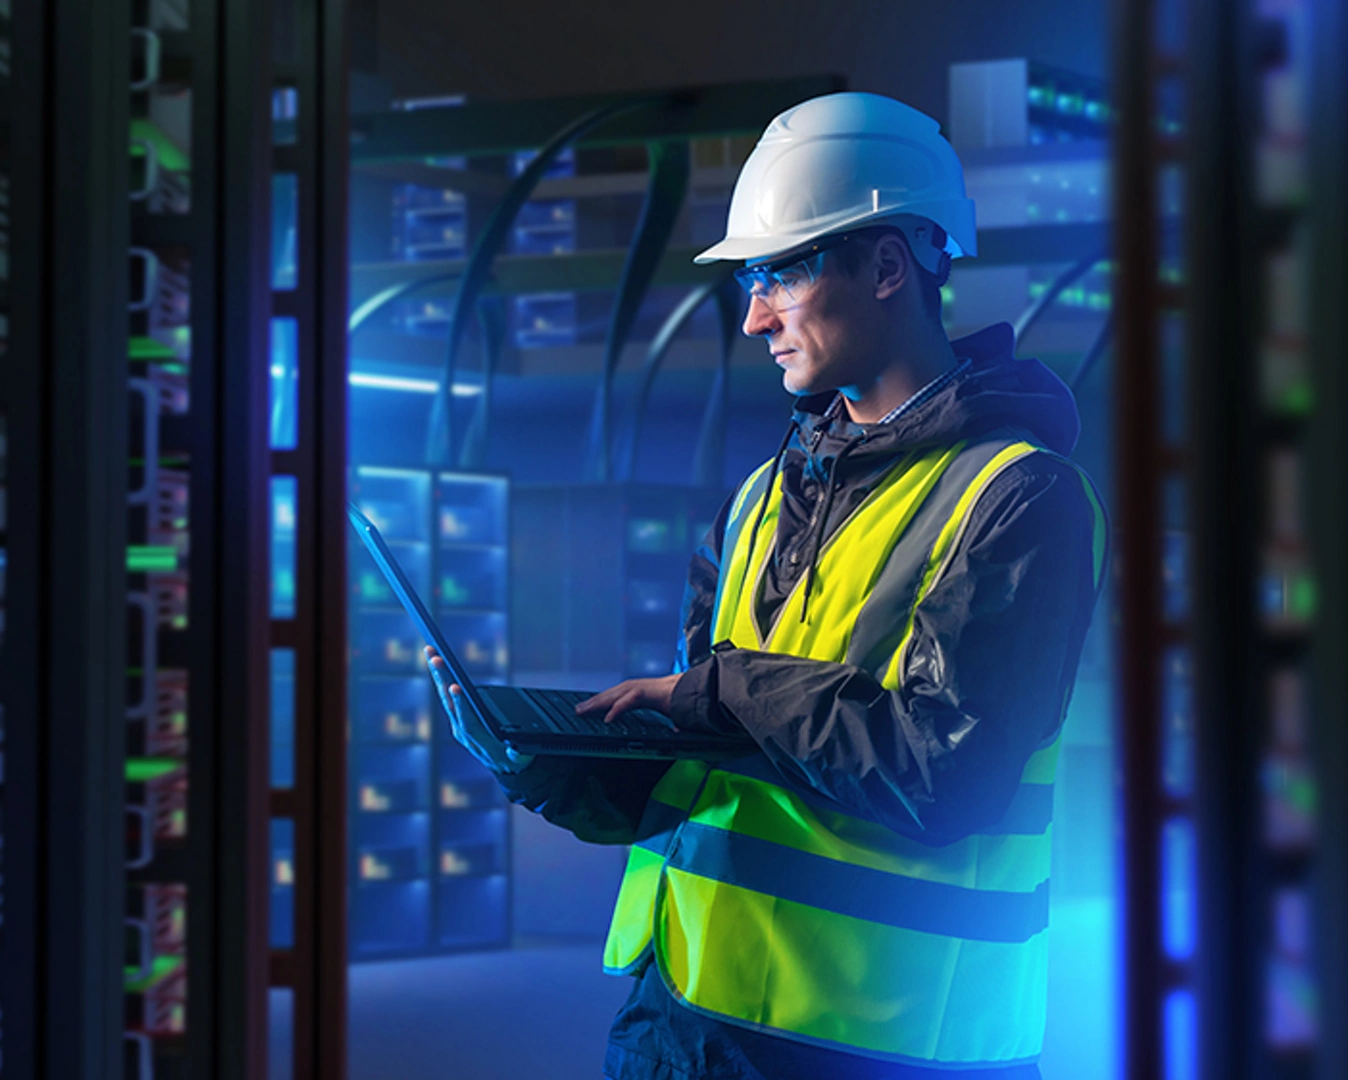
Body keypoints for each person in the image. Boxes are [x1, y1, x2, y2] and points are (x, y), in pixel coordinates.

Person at [425, 91, 1108, 1079]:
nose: (754, 319)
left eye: (778, 276)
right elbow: (707, 766)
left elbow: (941, 777)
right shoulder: (759, 497)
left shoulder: (1020, 496)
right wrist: (552, 761)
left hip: (879, 1043)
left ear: (886, 267)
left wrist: (731, 685)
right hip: (683, 1020)